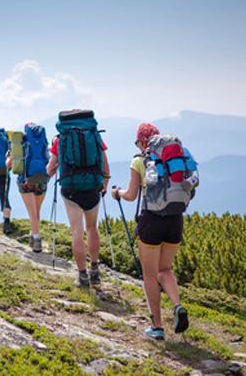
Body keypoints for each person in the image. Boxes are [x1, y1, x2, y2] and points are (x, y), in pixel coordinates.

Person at [111, 122, 190, 340]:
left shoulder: (139, 161)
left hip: (152, 220)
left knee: (149, 275)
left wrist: (117, 193)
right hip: (175, 219)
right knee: (165, 269)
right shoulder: (175, 159)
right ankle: (177, 306)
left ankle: (157, 327)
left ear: (142, 141)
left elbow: (132, 195)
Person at [46, 109, 110, 288]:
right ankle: (95, 271)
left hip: (71, 188)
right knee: (92, 228)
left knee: (77, 232)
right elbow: (105, 164)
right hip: (92, 187)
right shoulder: (95, 136)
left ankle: (82, 276)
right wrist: (104, 184)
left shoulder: (61, 139)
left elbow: (50, 168)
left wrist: (49, 173)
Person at [6, 123, 49, 253]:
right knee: (37, 211)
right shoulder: (43, 142)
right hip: (41, 179)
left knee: (32, 212)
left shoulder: (19, 143)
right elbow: (48, 159)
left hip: (25, 180)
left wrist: (9, 158)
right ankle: (32, 234)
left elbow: (9, 165)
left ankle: (36, 239)